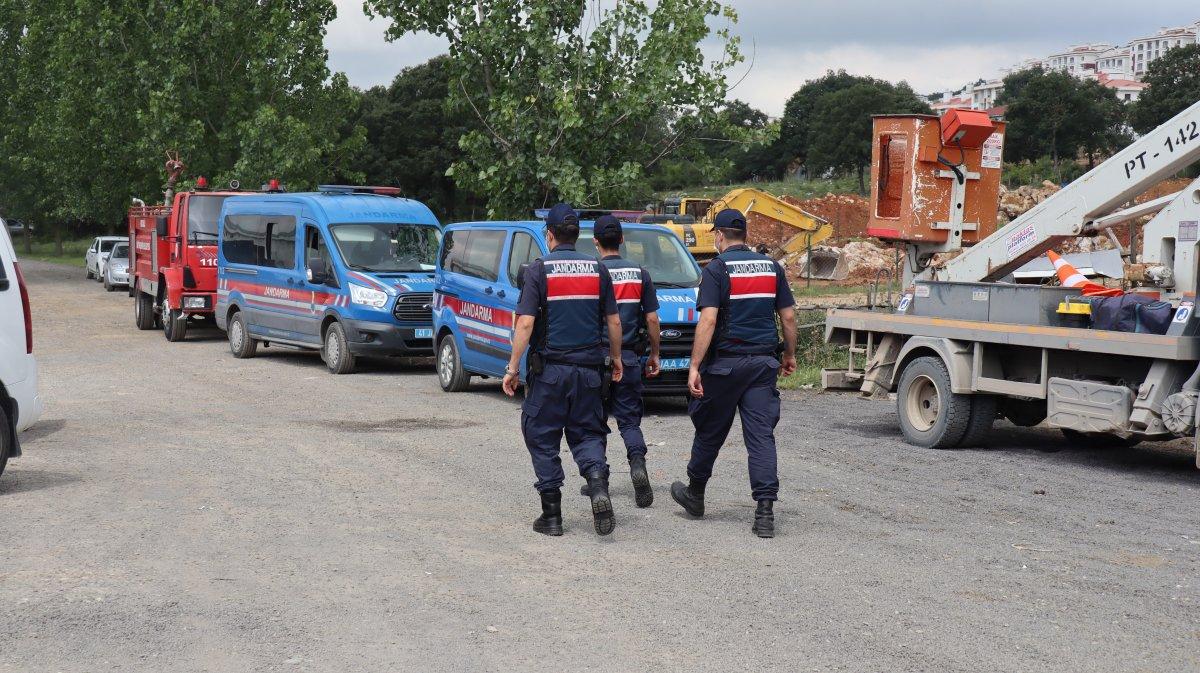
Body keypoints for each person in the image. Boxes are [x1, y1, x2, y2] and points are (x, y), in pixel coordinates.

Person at [669, 208, 797, 538]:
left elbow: (708, 320)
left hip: (725, 366)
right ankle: (765, 512)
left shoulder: (716, 269)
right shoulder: (772, 267)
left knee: (710, 430)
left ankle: (695, 495)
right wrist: (789, 354)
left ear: (720, 236)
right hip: (763, 365)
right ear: (745, 235)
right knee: (761, 437)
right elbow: (788, 317)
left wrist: (694, 365)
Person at [503, 203, 625, 537]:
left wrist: (512, 368)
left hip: (550, 373)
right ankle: (597, 484)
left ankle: (552, 516)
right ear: (578, 234)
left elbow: (525, 323)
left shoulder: (538, 270)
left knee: (541, 435)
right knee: (588, 434)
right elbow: (614, 321)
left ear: (550, 235)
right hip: (590, 373)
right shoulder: (598, 270)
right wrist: (616, 358)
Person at [579, 215, 661, 508]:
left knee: (594, 423)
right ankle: (637, 463)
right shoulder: (640, 273)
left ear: (595, 242)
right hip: (629, 357)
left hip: (595, 359)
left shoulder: (591, 272)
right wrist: (655, 353)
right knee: (629, 420)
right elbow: (652, 319)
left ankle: (599, 481)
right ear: (622, 240)